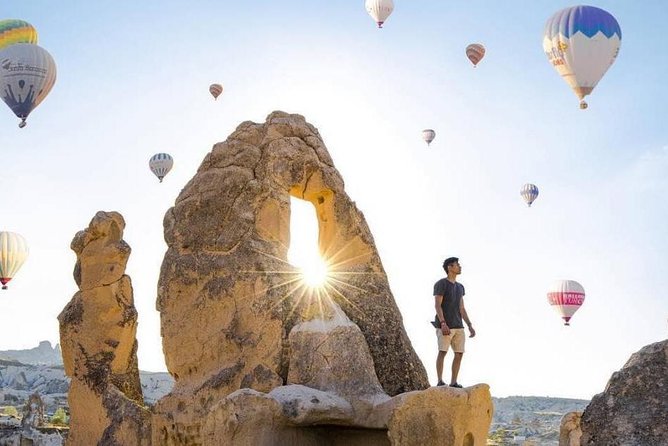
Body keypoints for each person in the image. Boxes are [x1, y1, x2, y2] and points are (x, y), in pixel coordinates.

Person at [432, 256, 475, 388]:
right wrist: (443, 323)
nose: (460, 266)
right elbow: (437, 305)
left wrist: (469, 325)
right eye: (457, 265)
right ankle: (440, 380)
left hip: (458, 325)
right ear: (450, 267)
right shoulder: (441, 284)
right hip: (445, 325)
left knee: (459, 353)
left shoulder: (460, 287)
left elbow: (461, 308)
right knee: (442, 351)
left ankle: (453, 382)